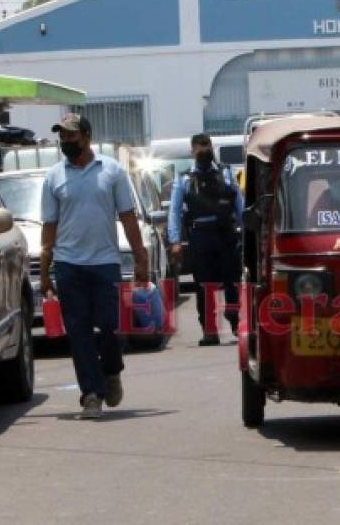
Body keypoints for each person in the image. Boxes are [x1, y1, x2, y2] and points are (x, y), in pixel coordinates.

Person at [39, 113, 149, 419]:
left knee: (111, 326)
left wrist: (141, 256)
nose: (65, 142)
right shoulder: (54, 177)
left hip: (105, 263)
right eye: (61, 137)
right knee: (79, 332)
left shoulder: (111, 171)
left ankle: (111, 371)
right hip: (68, 264)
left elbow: (127, 216)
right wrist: (46, 268)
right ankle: (91, 394)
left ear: (87, 136)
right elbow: (49, 225)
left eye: (71, 136)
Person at [168, 134, 244, 346]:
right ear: (192, 151)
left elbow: (239, 203)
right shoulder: (184, 178)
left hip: (226, 234)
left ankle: (236, 322)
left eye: (206, 146)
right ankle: (209, 330)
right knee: (204, 285)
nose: (204, 151)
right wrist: (175, 241)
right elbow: (174, 212)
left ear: (212, 147)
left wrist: (247, 231)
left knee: (232, 281)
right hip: (200, 236)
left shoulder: (226, 173)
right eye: (199, 148)